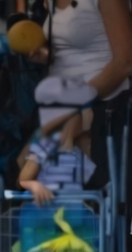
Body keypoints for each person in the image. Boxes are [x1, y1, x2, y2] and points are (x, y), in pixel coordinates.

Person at [18, 77, 98, 207]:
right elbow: (23, 179)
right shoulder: (44, 146)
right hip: (44, 213)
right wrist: (35, 186)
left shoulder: (77, 154)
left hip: (71, 217)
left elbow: (83, 184)